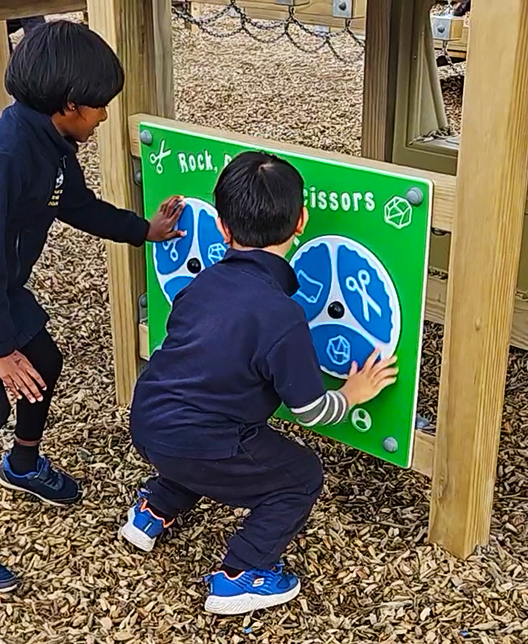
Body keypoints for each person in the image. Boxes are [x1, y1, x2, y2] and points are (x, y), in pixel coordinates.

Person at [0, 20, 184, 595]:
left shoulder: (51, 144)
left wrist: (144, 231)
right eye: (100, 108)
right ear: (70, 105)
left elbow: (74, 204)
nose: (104, 117)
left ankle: (22, 465)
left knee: (46, 363)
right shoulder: (3, 157)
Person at [117, 151, 399, 615]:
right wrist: (352, 393)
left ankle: (153, 509)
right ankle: (242, 572)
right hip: (200, 440)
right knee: (300, 475)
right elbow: (310, 410)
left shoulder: (201, 285)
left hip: (148, 422)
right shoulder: (282, 316)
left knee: (203, 445)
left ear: (223, 229)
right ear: (301, 221)